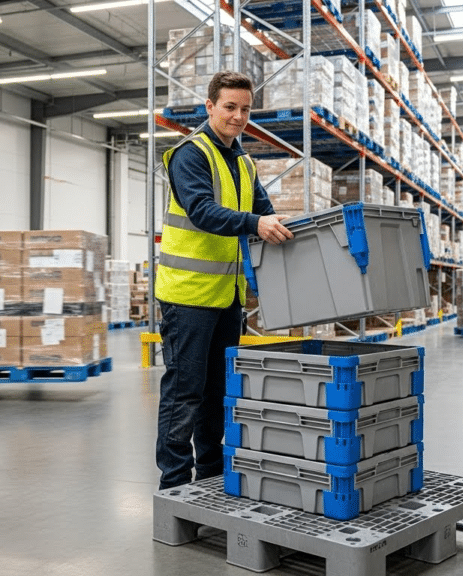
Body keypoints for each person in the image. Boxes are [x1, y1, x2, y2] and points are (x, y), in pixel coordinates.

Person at [155, 71, 293, 490]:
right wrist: (256, 222)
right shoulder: (190, 154)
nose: (238, 116)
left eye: (246, 109)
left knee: (218, 395)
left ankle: (212, 478)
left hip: (228, 298)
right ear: (210, 106)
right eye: (230, 107)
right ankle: (175, 486)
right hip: (189, 297)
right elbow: (202, 210)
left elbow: (264, 212)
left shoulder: (243, 162)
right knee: (185, 395)